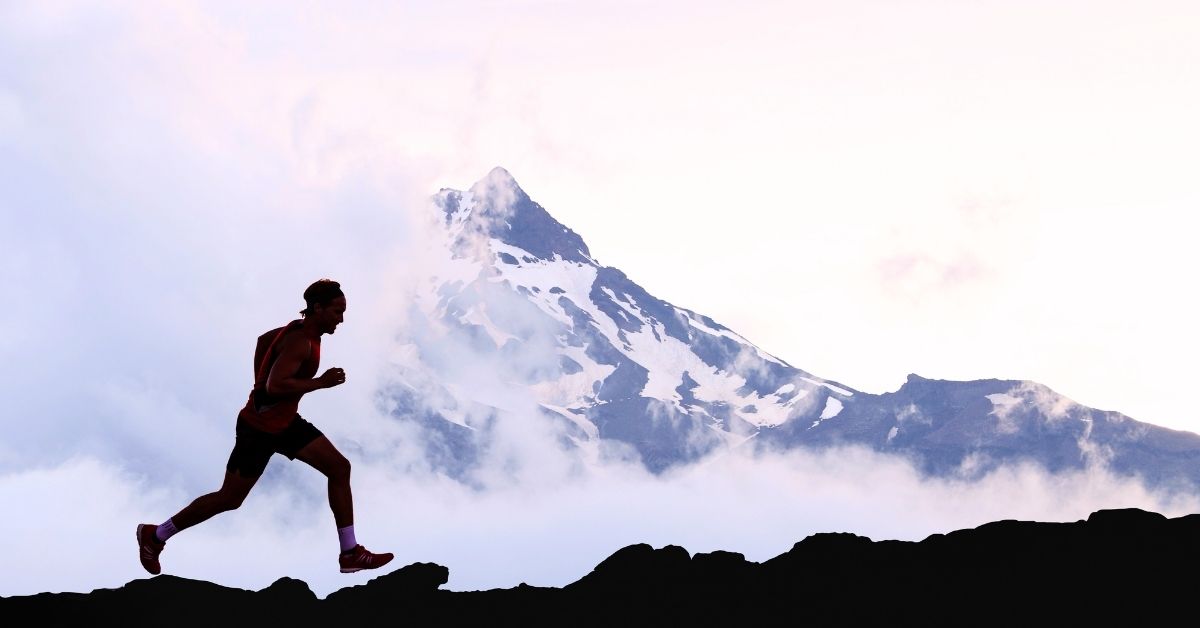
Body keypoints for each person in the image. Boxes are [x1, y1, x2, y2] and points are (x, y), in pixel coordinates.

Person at [136, 279, 393, 575]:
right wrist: (319, 383)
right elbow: (277, 385)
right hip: (257, 431)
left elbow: (262, 341)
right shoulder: (301, 342)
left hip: (283, 424)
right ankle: (155, 536)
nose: (342, 319)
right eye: (337, 311)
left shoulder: (295, 330)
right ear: (317, 308)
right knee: (229, 499)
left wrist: (259, 384)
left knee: (339, 468)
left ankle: (349, 552)